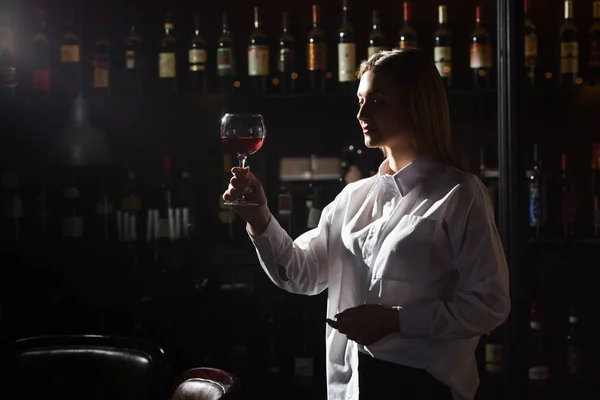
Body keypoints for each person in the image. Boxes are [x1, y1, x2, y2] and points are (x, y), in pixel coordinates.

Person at [222, 49, 510, 400]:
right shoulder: (353, 197)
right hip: (351, 385)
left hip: (425, 386)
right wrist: (259, 218)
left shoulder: (460, 193)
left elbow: (489, 303)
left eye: (378, 101)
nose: (361, 113)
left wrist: (397, 319)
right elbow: (302, 275)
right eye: (360, 100)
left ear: (416, 105)